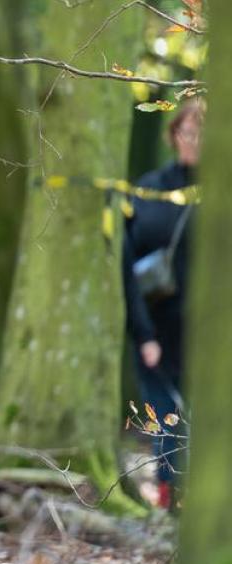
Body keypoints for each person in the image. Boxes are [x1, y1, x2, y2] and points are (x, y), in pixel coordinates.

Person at [122, 98, 202, 510]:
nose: (197, 139)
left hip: (209, 335)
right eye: (190, 130)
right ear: (174, 135)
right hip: (156, 331)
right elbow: (126, 264)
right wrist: (143, 332)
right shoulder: (148, 190)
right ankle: (169, 503)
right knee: (167, 417)